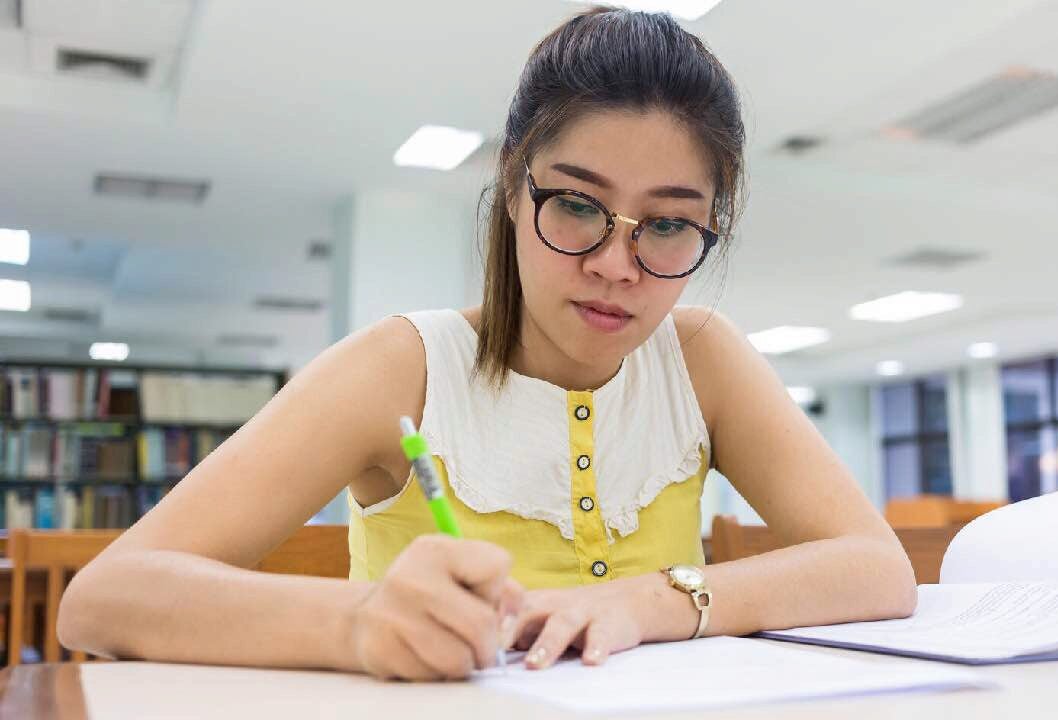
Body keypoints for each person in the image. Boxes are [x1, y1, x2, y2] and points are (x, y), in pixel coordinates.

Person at [59, 6, 916, 681]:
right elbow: (101, 601)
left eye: (667, 224)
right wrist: (358, 624)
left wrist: (649, 602)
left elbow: (878, 570)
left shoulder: (701, 361)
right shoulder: (403, 368)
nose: (617, 266)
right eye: (578, 205)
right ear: (514, 185)